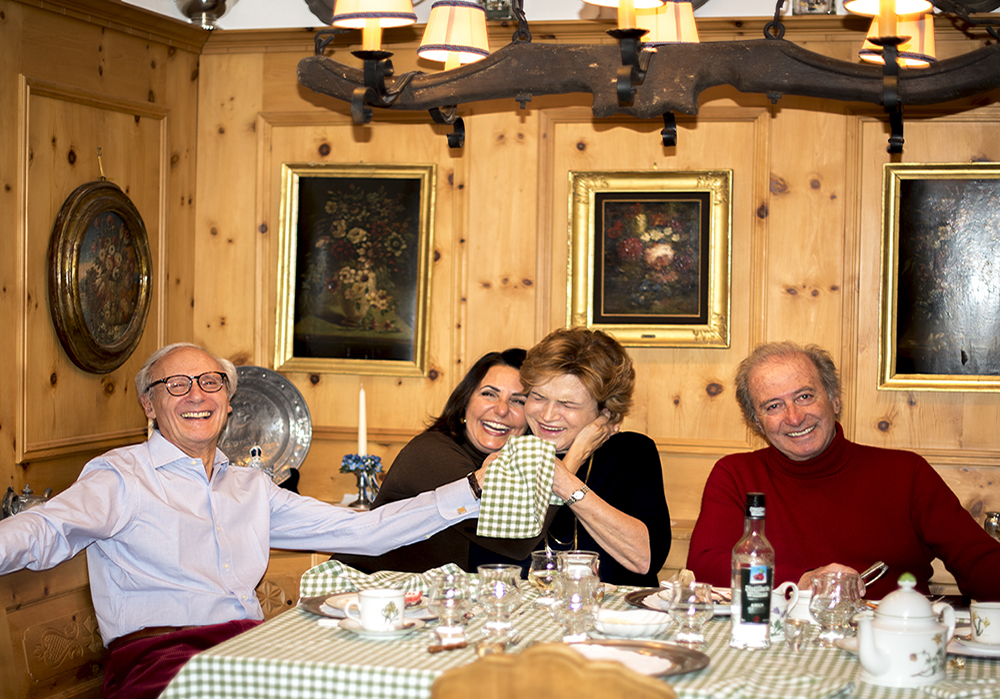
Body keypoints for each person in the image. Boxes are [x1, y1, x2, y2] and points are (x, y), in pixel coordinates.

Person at [0, 343, 487, 699]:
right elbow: (47, 528)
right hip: (160, 661)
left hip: (252, 649)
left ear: (228, 402)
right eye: (176, 385)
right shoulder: (122, 477)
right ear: (149, 405)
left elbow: (366, 530)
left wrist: (473, 489)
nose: (196, 395)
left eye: (210, 383)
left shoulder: (251, 487)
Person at [686, 341, 1000, 599]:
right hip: (776, 642)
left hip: (891, 641)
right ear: (756, 422)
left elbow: (980, 563)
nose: (794, 417)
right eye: (773, 406)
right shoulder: (735, 475)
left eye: (805, 396)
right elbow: (705, 566)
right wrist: (802, 582)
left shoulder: (907, 473)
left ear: (834, 400)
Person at [333, 348, 554, 573]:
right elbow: (515, 542)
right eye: (489, 394)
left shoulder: (509, 466)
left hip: (425, 592)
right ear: (465, 402)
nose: (502, 409)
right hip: (361, 586)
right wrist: (565, 465)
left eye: (518, 400)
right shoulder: (432, 453)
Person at [522, 327, 671, 587]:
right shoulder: (513, 450)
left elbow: (645, 559)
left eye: (567, 404)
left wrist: (567, 483)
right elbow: (500, 558)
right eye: (538, 397)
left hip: (615, 611)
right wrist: (573, 458)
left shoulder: (632, 452)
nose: (547, 415)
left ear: (605, 412)